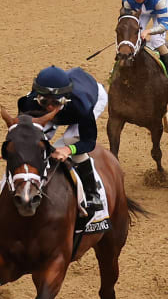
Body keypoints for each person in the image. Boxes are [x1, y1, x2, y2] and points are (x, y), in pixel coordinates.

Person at [17, 65, 108, 217]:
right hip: (67, 106)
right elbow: (23, 132)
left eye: (55, 102)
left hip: (92, 97)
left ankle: (93, 194)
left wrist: (68, 150)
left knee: (69, 138)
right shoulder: (29, 102)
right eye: (44, 102)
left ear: (65, 98)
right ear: (37, 96)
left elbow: (89, 141)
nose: (50, 108)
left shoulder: (82, 106)